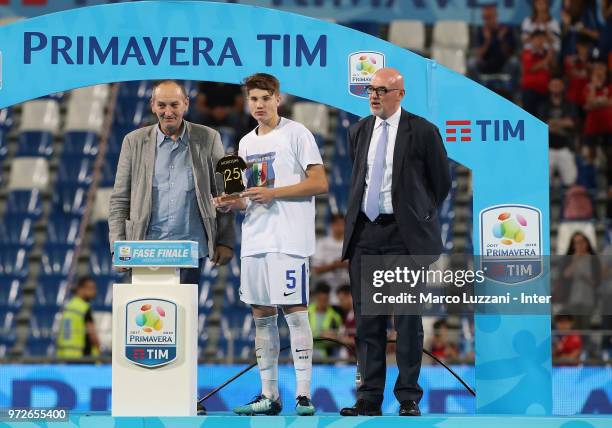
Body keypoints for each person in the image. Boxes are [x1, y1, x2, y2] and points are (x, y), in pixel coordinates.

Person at [214, 73, 328, 416]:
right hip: (255, 240)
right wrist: (233, 203)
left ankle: (304, 395)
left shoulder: (297, 133)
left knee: (294, 313)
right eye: (253, 100)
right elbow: (251, 197)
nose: (259, 105)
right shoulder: (246, 144)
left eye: (265, 98)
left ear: (278, 98)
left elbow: (319, 182)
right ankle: (269, 395)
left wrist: (273, 193)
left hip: (289, 239)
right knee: (261, 316)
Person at [340, 67, 451, 417]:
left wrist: (415, 216)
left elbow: (441, 183)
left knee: (406, 321)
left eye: (382, 90)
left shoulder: (423, 131)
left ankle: (408, 398)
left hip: (405, 238)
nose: (374, 95)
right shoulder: (358, 131)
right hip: (365, 235)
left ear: (400, 94)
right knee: (368, 322)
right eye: (371, 89)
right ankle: (369, 398)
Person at [108, 80, 235, 286]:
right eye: (162, 105)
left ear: (186, 104)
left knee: (184, 316)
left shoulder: (209, 138)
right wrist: (117, 247)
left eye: (174, 105)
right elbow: (120, 200)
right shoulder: (133, 141)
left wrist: (225, 241)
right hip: (144, 250)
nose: (168, 112)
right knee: (148, 314)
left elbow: (223, 194)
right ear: (152, 105)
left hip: (192, 250)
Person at [538, 77, 578, 187]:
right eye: (553, 85)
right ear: (549, 87)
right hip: (547, 148)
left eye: (558, 85)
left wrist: (553, 123)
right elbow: (542, 125)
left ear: (563, 87)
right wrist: (562, 123)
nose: (556, 87)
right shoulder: (543, 105)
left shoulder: (569, 105)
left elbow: (571, 123)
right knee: (543, 184)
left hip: (565, 147)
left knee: (571, 182)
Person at [56, 277, 101, 359]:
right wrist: (99, 348)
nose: (94, 292)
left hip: (65, 354)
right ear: (80, 289)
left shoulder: (69, 306)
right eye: (91, 288)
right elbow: (92, 334)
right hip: (82, 355)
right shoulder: (84, 308)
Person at [311, 213, 349, 302]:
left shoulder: (351, 244)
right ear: (332, 225)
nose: (340, 227)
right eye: (337, 224)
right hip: (326, 292)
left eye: (342, 225)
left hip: (347, 292)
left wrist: (345, 265)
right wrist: (334, 266)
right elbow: (316, 270)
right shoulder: (322, 243)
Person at [521, 30, 555, 116]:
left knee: (543, 117)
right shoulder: (527, 53)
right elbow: (532, 68)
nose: (540, 41)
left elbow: (554, 69)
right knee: (529, 116)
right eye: (537, 38)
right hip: (530, 91)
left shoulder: (547, 54)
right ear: (531, 40)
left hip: (545, 91)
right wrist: (548, 58)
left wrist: (551, 46)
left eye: (542, 38)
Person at [308, 282, 343, 360]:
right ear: (316, 297)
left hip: (326, 357)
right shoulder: (306, 313)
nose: (323, 302)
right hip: (305, 352)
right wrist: (321, 335)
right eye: (321, 299)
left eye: (325, 300)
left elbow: (338, 337)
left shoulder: (335, 317)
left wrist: (334, 337)